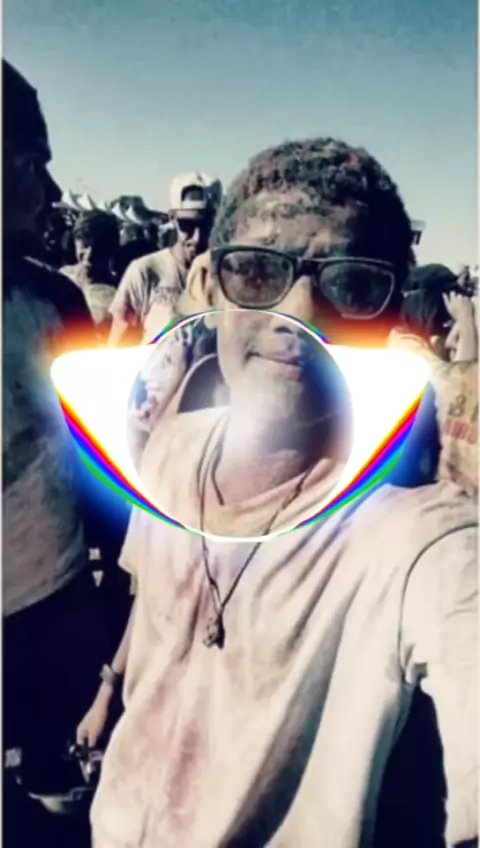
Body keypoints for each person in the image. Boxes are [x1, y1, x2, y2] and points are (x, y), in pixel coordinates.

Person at [81, 138, 477, 848]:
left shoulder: (418, 543)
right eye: (260, 270)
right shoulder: (173, 450)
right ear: (210, 285)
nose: (300, 314)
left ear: (390, 313)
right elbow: (154, 601)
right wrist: (111, 686)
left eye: (350, 284)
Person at [3, 59, 113, 842]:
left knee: (61, 787)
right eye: (29, 161)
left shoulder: (56, 301)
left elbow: (96, 452)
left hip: (57, 596)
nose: (46, 187)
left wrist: (123, 584)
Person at [107, 172, 221, 347]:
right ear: (172, 219)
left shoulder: (226, 278)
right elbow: (118, 347)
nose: (197, 238)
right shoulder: (145, 272)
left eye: (206, 226)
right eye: (187, 225)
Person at [61, 210, 120, 335]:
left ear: (111, 251)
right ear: (75, 243)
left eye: (98, 249)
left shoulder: (118, 297)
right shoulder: (61, 278)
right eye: (85, 246)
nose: (89, 256)